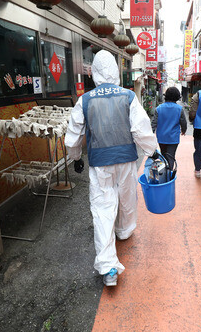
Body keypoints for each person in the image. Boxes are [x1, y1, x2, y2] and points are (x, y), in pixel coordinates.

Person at [64, 50, 158, 287]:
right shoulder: (128, 97)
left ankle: (108, 268)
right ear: (115, 71)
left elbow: (73, 135)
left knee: (103, 208)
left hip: (100, 163)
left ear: (93, 72)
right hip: (126, 160)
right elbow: (140, 129)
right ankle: (124, 231)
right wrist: (153, 152)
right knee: (126, 198)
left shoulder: (85, 100)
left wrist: (76, 157)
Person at [151, 86, 187, 170]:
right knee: (171, 156)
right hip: (173, 138)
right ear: (177, 96)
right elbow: (183, 122)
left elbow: (154, 123)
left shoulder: (158, 108)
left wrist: (150, 133)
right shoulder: (179, 109)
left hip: (161, 137)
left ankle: (163, 173)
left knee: (163, 156)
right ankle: (169, 174)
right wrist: (183, 130)